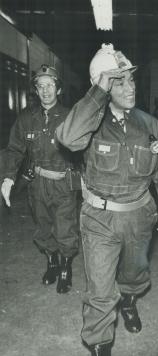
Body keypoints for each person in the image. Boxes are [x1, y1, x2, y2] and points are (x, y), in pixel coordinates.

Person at [56, 43, 158, 356]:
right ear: (104, 86)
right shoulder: (90, 123)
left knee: (135, 275)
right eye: (119, 81)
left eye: (131, 79)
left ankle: (130, 299)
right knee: (99, 292)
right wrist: (98, 88)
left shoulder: (149, 124)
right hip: (98, 219)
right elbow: (67, 137)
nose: (130, 87)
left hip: (140, 216)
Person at [1, 64, 80, 294]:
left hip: (63, 183)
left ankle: (66, 269)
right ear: (35, 90)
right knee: (43, 228)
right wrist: (7, 178)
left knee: (65, 229)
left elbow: (84, 149)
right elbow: (14, 149)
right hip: (37, 185)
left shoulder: (69, 116)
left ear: (59, 89)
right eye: (40, 86)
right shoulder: (27, 118)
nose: (45, 91)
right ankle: (52, 263)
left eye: (50, 85)